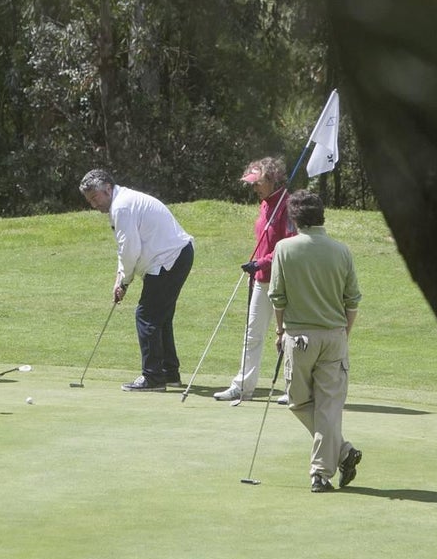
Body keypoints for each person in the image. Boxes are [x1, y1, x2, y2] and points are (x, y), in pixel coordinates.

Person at [268, 189, 363, 492]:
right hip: (334, 336)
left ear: (294, 218)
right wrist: (343, 335)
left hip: (299, 339)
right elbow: (352, 301)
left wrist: (279, 332)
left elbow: (277, 298)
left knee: (300, 403)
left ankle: (320, 473)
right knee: (325, 407)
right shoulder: (341, 250)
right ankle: (343, 452)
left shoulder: (284, 248)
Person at [80, 169, 195, 392]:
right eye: (89, 201)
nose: (94, 205)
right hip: (175, 256)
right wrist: (120, 278)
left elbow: (130, 249)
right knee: (160, 317)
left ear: (108, 189)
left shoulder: (122, 206)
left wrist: (123, 282)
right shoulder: (122, 202)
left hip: (169, 259)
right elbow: (127, 249)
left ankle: (153, 377)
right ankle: (169, 373)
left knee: (146, 315)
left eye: (95, 198)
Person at [213, 157, 295, 403]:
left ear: (271, 179)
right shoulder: (264, 204)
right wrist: (258, 264)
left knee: (290, 336)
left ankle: (295, 389)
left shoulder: (288, 205)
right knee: (253, 334)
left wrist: (262, 262)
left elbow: (288, 246)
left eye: (257, 183)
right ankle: (243, 387)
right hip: (261, 279)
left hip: (285, 280)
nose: (253, 188)